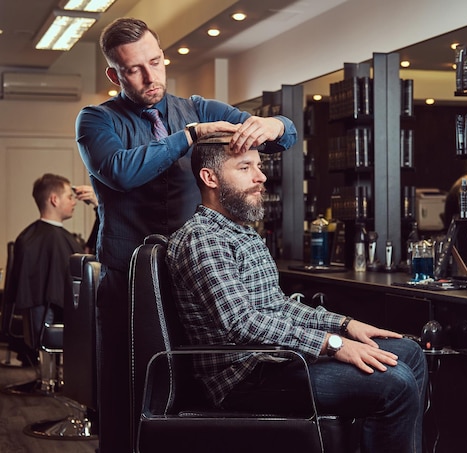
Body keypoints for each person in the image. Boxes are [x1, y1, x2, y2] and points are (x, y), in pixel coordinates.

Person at [74, 17, 297, 453]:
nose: (149, 76)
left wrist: (274, 127)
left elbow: (278, 134)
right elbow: (121, 171)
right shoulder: (96, 121)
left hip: (191, 280)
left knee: (191, 394)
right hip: (128, 285)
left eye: (155, 62)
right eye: (134, 69)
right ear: (113, 74)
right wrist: (187, 137)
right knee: (127, 397)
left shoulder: (199, 106)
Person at [166, 135, 427, 453]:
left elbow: (275, 306)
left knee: (408, 352)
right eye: (245, 167)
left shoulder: (241, 232)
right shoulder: (203, 239)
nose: (260, 176)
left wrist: (344, 325)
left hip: (273, 360)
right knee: (395, 384)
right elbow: (242, 322)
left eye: (259, 166)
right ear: (210, 178)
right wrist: (331, 344)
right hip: (244, 377)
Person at [6, 174, 95, 367]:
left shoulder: (33, 237)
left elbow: (90, 252)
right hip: (51, 317)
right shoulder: (35, 240)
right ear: (54, 199)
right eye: (69, 197)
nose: (74, 202)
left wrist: (98, 206)